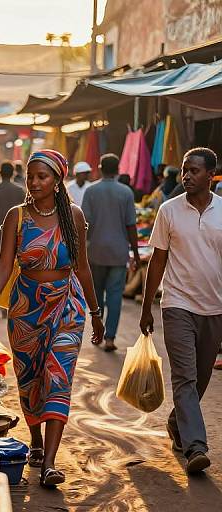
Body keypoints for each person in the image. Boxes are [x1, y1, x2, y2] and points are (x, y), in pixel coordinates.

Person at [0, 150, 104, 488]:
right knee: (30, 377)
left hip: (66, 304)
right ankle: (34, 438)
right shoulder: (17, 216)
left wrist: (95, 310)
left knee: (58, 375)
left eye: (42, 177)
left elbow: (82, 267)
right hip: (25, 307)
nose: (34, 183)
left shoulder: (73, 216)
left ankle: (49, 462)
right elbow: (4, 264)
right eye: (30, 176)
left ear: (57, 181)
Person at [140, 147, 222, 474]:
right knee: (185, 377)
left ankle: (177, 422)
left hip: (214, 308)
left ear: (211, 176)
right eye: (184, 170)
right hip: (177, 305)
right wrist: (146, 307)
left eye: (194, 171)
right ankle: (196, 447)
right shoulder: (169, 211)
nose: (186, 176)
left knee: (200, 379)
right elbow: (157, 260)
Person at [82, 154, 140, 351]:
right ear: (118, 169)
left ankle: (97, 333)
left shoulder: (91, 191)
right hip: (118, 252)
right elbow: (131, 225)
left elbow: (84, 225)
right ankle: (110, 338)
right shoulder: (126, 192)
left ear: (99, 167)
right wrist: (136, 253)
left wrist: (81, 251)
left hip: (95, 251)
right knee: (115, 295)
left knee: (96, 294)